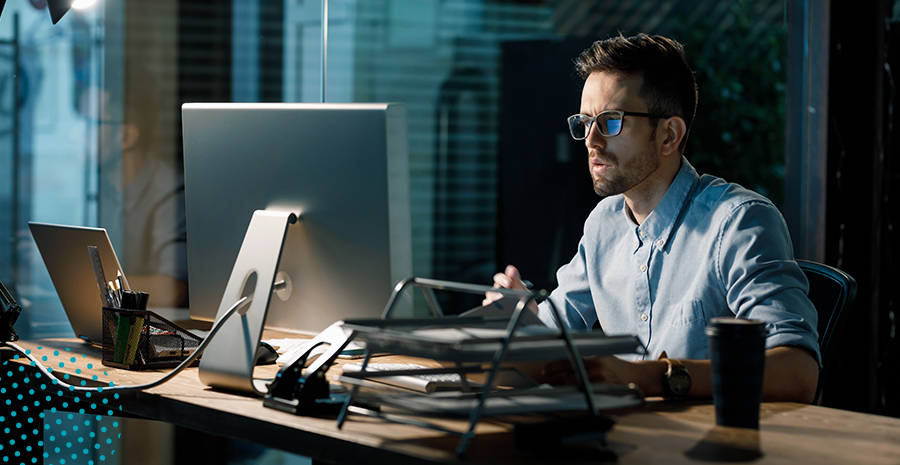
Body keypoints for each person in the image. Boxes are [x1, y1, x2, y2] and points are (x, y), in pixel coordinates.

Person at [486, 33, 820, 403]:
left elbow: (798, 373)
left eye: (611, 121)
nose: (591, 141)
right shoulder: (604, 224)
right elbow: (555, 330)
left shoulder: (740, 223)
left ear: (668, 135)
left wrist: (652, 377)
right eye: (585, 122)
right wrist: (521, 315)